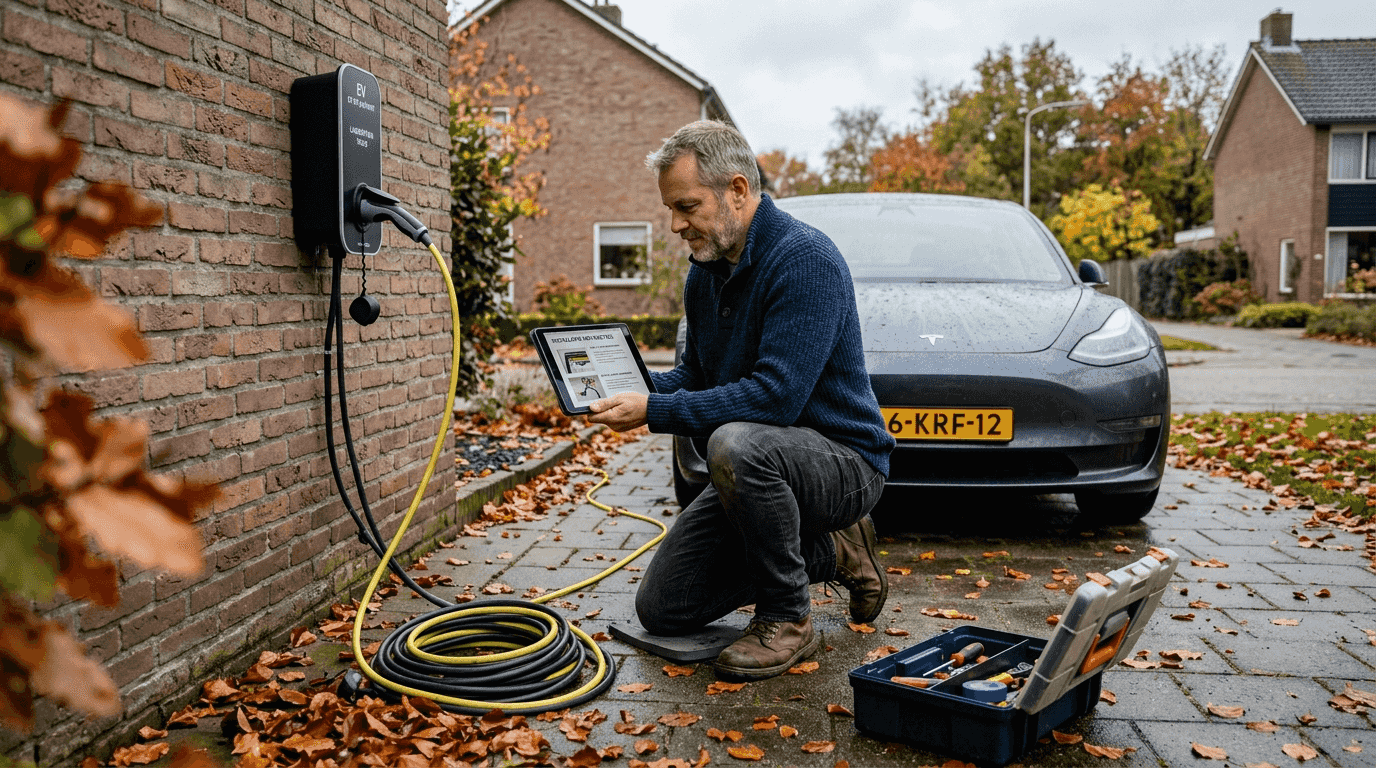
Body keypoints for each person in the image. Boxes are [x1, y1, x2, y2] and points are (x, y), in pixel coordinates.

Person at [588, 120, 895, 680]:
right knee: (663, 608)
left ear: (736, 189)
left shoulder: (806, 260)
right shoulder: (705, 274)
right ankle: (837, 552)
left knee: (735, 444)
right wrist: (629, 387)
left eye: (687, 206)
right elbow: (696, 375)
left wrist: (653, 412)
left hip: (845, 462)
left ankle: (787, 617)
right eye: (671, 209)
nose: (676, 224)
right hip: (760, 465)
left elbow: (775, 398)